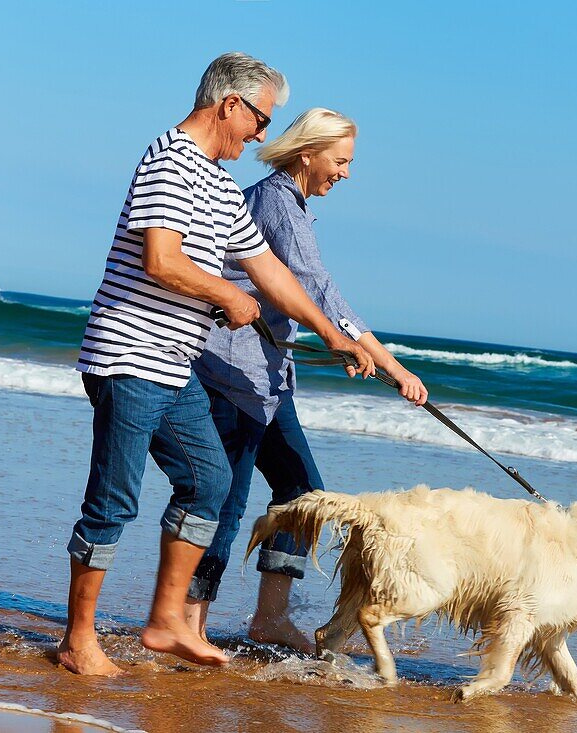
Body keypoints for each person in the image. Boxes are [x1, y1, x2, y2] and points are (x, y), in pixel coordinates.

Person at [57, 56, 375, 677]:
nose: (261, 135)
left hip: (175, 366)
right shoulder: (169, 161)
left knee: (210, 483)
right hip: (128, 355)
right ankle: (78, 640)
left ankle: (165, 621)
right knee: (114, 501)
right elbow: (160, 259)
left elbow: (270, 272)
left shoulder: (222, 185)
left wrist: (331, 333)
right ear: (229, 104)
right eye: (259, 119)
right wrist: (226, 295)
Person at [184, 108, 428, 651]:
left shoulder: (285, 204)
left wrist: (371, 354)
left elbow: (315, 295)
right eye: (340, 161)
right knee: (226, 500)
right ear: (307, 154)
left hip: (268, 380)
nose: (345, 173)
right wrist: (391, 365)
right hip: (232, 374)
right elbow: (320, 292)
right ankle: (189, 622)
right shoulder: (276, 203)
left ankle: (268, 618)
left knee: (302, 495)